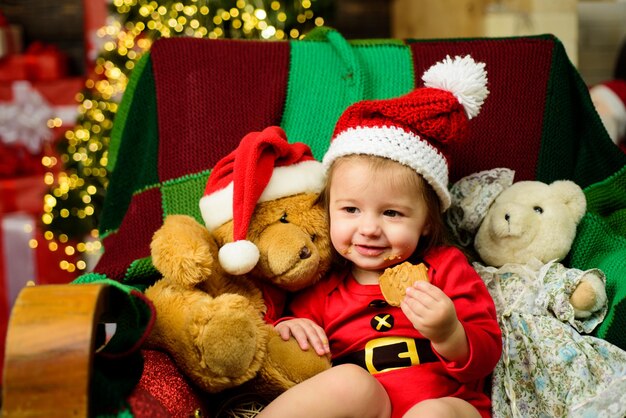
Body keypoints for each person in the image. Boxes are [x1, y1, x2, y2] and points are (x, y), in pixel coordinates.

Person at [256, 55, 502, 418]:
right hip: (364, 410)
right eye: (350, 210)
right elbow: (279, 335)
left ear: (427, 224)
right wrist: (289, 326)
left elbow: (486, 355)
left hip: (446, 404)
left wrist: (450, 331)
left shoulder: (444, 269)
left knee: (433, 415)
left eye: (391, 213)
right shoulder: (326, 285)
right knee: (351, 384)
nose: (369, 228)